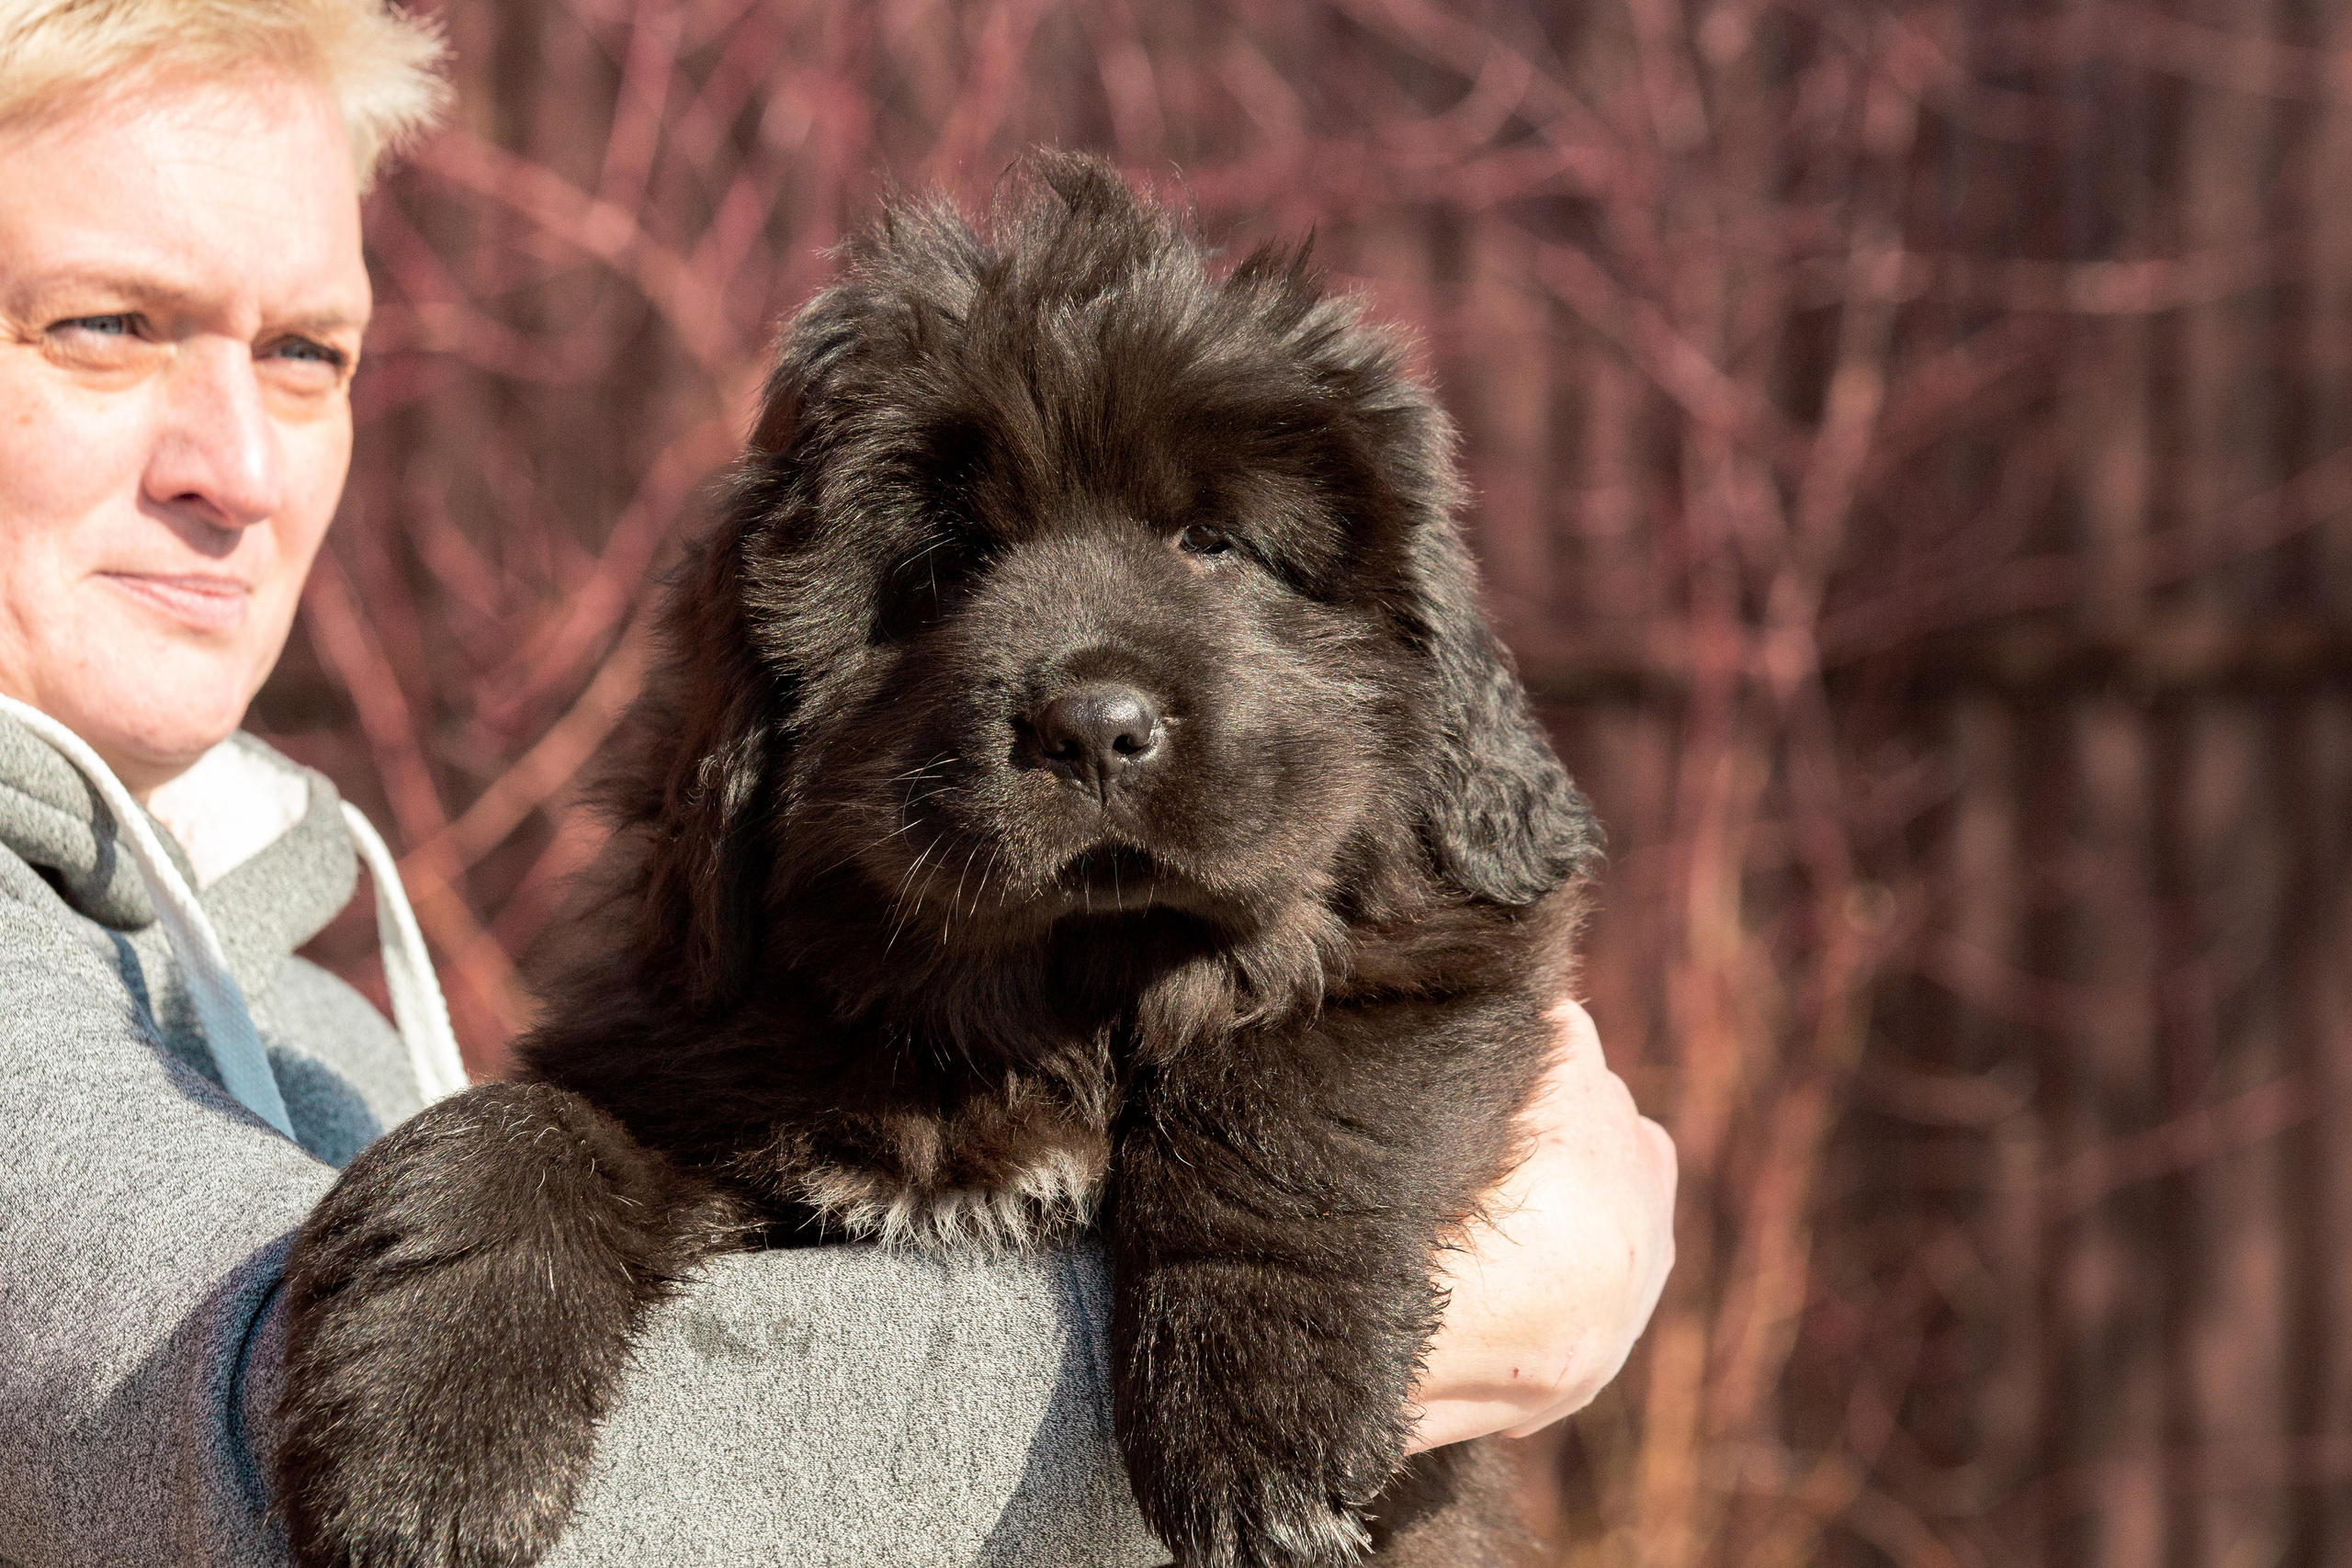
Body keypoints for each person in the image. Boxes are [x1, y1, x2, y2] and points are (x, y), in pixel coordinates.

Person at [0, 1, 1679, 1563]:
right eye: (103, 327)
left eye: (303, 352)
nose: (229, 466)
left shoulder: (308, 1030)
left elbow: (1461, 955)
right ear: (759, 738)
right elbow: (249, 1478)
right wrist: (1419, 1320)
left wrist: (1280, 1231)